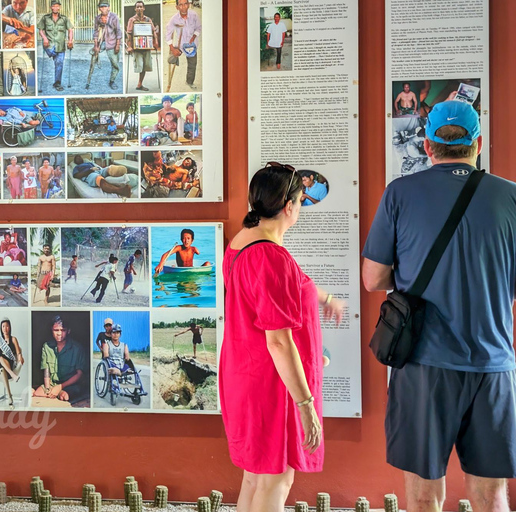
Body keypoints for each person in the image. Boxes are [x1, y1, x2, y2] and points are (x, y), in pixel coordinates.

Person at [362, 101, 516, 512]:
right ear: (477, 144)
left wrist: (412, 278)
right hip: (493, 366)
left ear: (428, 146)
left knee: (424, 495)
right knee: (492, 495)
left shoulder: (399, 193)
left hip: (423, 367)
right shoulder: (511, 197)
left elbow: (373, 278)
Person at [220, 162, 345, 512]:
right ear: (289, 207)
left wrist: (326, 299)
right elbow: (278, 341)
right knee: (277, 479)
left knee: (256, 477)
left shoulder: (243, 243)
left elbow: (292, 287)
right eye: (302, 201)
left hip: (247, 373)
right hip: (270, 383)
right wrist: (306, 407)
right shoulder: (270, 257)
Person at [33, 315, 88, 402]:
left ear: (68, 331)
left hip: (70, 385)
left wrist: (60, 387)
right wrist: (48, 389)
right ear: (52, 330)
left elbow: (79, 374)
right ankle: (56, 393)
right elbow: (46, 371)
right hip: (52, 384)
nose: (59, 333)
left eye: (63, 330)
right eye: (56, 330)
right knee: (37, 393)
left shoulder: (77, 348)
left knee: (65, 396)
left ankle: (59, 393)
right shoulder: (47, 346)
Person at [37, 0, 74, 92]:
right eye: (54, 6)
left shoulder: (64, 18)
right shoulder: (45, 18)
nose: (56, 8)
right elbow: (40, 30)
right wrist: (45, 38)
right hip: (48, 44)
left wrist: (70, 41)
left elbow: (70, 30)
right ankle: (53, 55)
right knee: (53, 55)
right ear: (51, 7)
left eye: (58, 6)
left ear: (59, 7)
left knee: (59, 64)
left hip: (60, 46)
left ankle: (57, 83)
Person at [166, 0, 201, 89]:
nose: (183, 7)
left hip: (192, 45)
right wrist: (173, 49)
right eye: (180, 5)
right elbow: (168, 34)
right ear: (177, 7)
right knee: (171, 59)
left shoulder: (194, 15)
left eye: (185, 4)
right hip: (180, 44)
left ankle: (189, 82)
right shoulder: (174, 19)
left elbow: (198, 28)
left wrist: (193, 37)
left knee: (192, 64)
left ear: (189, 5)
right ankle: (169, 80)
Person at [125, 1, 158, 92]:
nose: (139, 8)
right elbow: (129, 34)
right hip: (137, 47)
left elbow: (153, 31)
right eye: (137, 7)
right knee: (139, 65)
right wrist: (129, 46)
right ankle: (139, 84)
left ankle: (140, 84)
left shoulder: (148, 20)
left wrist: (156, 42)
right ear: (135, 9)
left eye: (141, 7)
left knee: (146, 66)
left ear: (144, 8)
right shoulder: (132, 20)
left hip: (146, 46)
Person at [92, 1, 122, 89]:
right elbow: (96, 31)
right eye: (101, 7)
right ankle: (88, 80)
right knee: (92, 57)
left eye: (105, 7)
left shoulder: (114, 17)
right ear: (99, 8)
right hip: (102, 42)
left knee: (115, 64)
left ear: (108, 7)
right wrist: (96, 45)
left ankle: (112, 81)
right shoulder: (98, 18)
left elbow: (118, 31)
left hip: (112, 43)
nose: (103, 9)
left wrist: (117, 45)